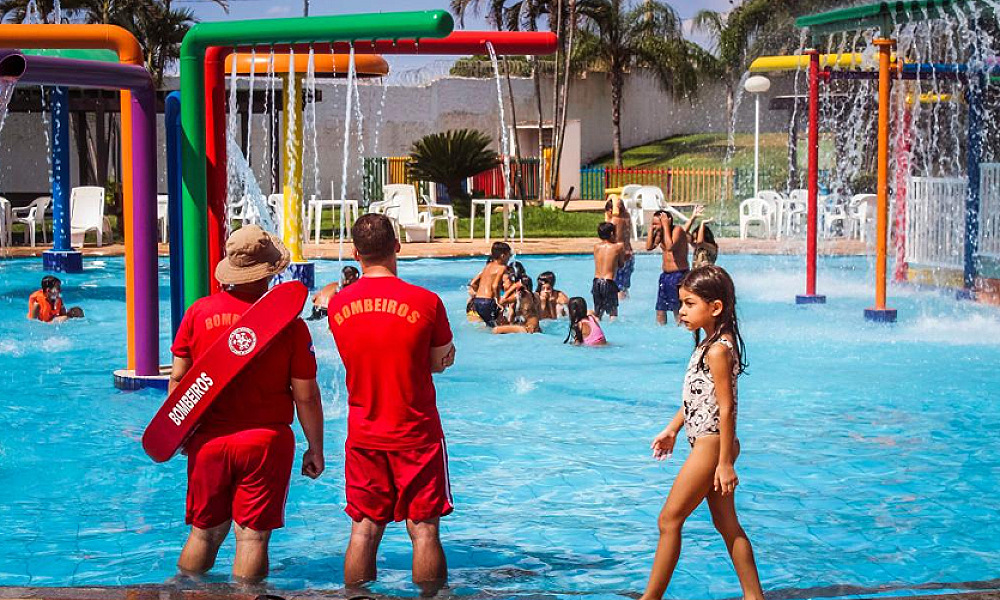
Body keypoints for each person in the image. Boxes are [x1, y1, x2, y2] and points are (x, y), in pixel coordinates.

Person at [169, 225, 325, 583]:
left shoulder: (198, 313)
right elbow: (306, 394)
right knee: (252, 537)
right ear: (270, 270)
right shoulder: (290, 327)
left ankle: (181, 593)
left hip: (208, 441)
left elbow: (179, 379)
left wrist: (178, 429)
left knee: (203, 533)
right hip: (264, 442)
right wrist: (315, 447)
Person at [327, 214, 456, 593]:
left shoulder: (338, 306)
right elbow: (438, 362)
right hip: (416, 432)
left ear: (356, 253)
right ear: (396, 246)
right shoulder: (427, 302)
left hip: (364, 432)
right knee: (425, 530)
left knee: (364, 529)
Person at [640, 265, 764, 600]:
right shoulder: (709, 343)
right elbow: (698, 398)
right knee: (727, 526)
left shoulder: (719, 350)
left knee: (669, 520)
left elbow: (727, 407)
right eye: (681, 303)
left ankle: (650, 599)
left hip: (712, 446)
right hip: (708, 443)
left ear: (716, 307)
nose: (680, 311)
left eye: (689, 303)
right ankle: (754, 597)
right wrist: (673, 429)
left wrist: (724, 463)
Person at [646, 210, 690, 325]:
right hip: (665, 276)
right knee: (660, 309)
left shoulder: (677, 230)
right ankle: (660, 331)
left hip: (679, 275)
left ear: (667, 222)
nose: (655, 226)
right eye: (653, 223)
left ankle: (681, 329)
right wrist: (651, 229)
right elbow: (649, 247)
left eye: (656, 223)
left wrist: (665, 226)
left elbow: (670, 246)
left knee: (678, 308)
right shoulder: (661, 233)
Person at [468, 242, 511, 327]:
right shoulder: (502, 268)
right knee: (501, 326)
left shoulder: (487, 266)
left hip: (477, 301)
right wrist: (498, 301)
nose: (509, 258)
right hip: (488, 302)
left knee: (490, 325)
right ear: (503, 256)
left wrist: (479, 293)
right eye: (509, 255)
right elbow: (495, 286)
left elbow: (473, 283)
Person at [592, 222, 625, 320]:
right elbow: (621, 265)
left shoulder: (596, 247)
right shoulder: (619, 246)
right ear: (611, 234)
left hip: (596, 282)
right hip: (608, 282)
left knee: (598, 314)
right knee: (613, 314)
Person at [605, 196, 634, 300]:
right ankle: (628, 305)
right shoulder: (627, 217)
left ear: (611, 210)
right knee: (624, 287)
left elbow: (607, 237)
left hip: (620, 256)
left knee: (617, 286)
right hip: (630, 255)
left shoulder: (614, 221)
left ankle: (621, 310)